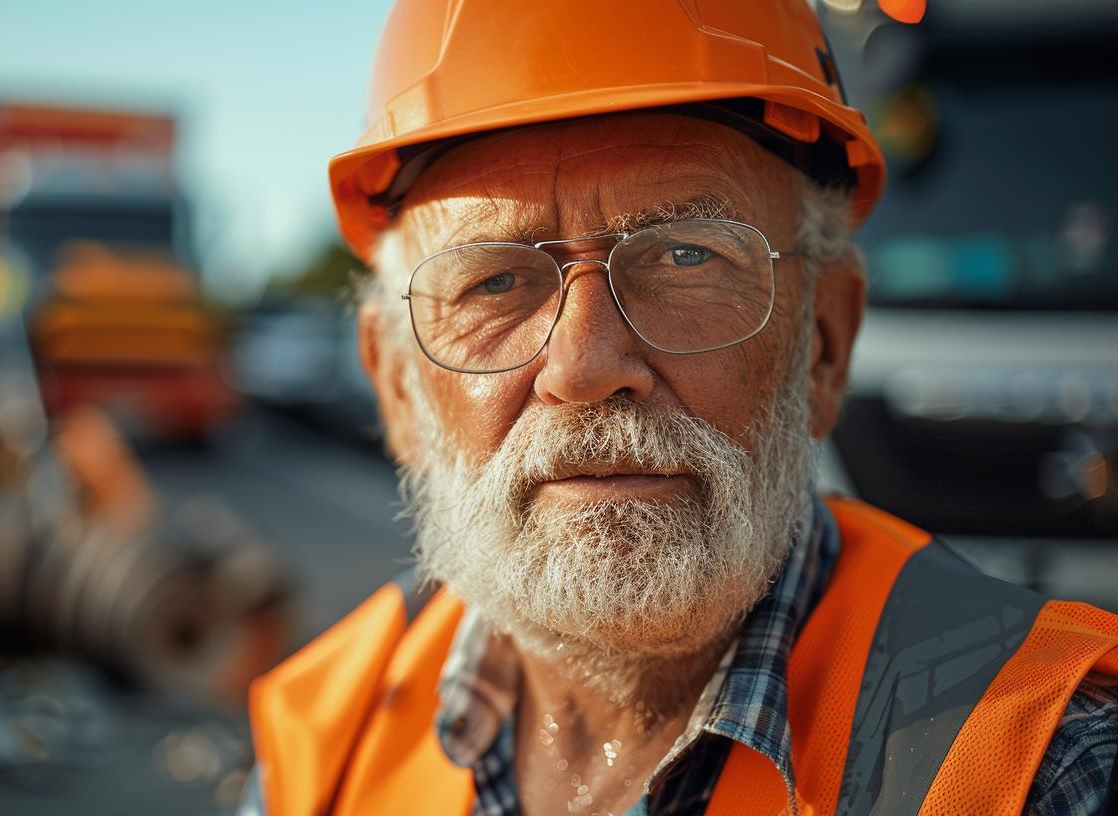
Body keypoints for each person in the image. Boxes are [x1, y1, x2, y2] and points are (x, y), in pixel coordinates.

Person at [241, 1, 1118, 813]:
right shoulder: (321, 744)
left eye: (687, 259)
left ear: (823, 343)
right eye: (495, 281)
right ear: (396, 384)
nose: (584, 367)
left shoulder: (1043, 760)